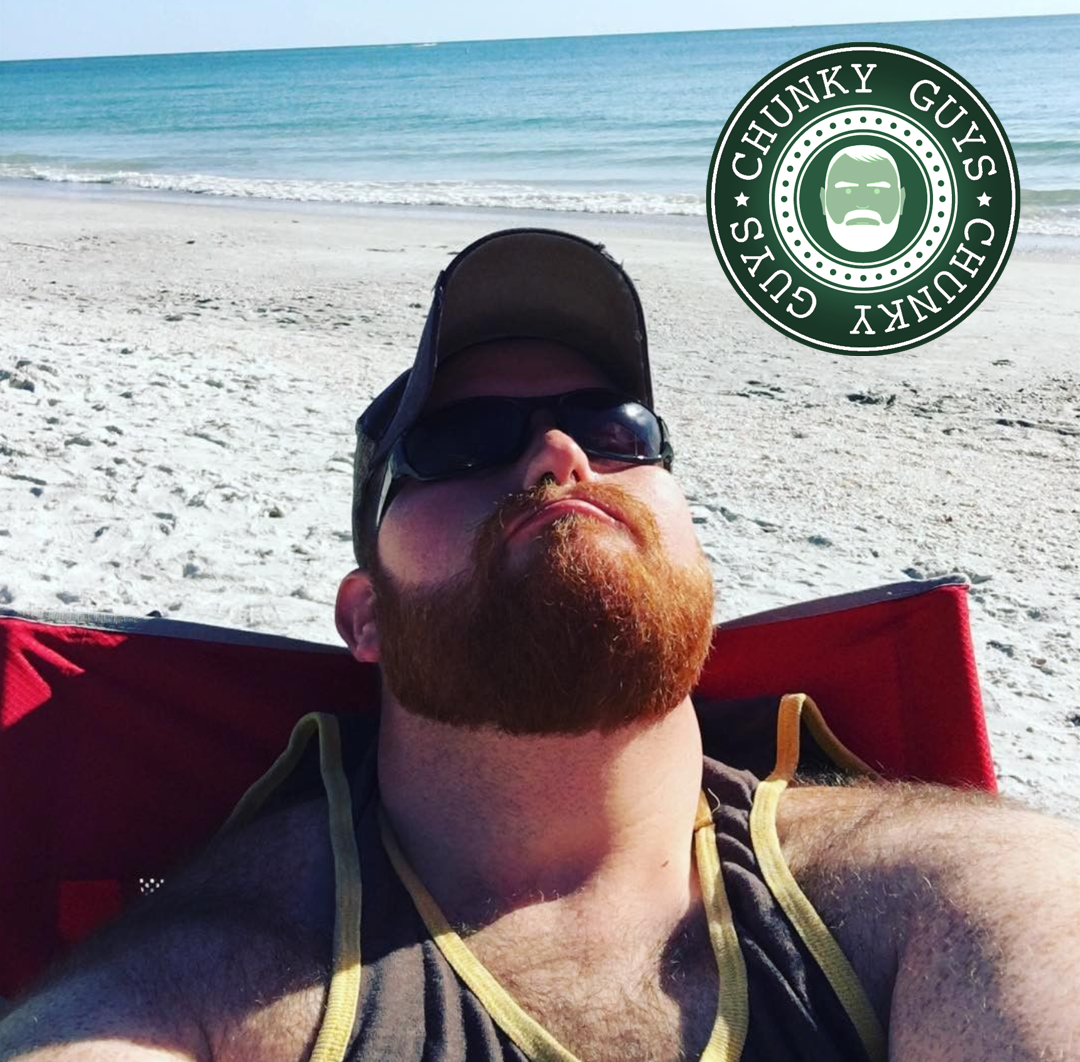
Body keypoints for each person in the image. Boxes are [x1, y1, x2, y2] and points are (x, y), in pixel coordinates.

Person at [1, 228, 1077, 1062]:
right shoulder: (207, 983)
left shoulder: (949, 896)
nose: (562, 454)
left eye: (617, 430)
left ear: (699, 571)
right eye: (459, 444)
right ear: (364, 615)